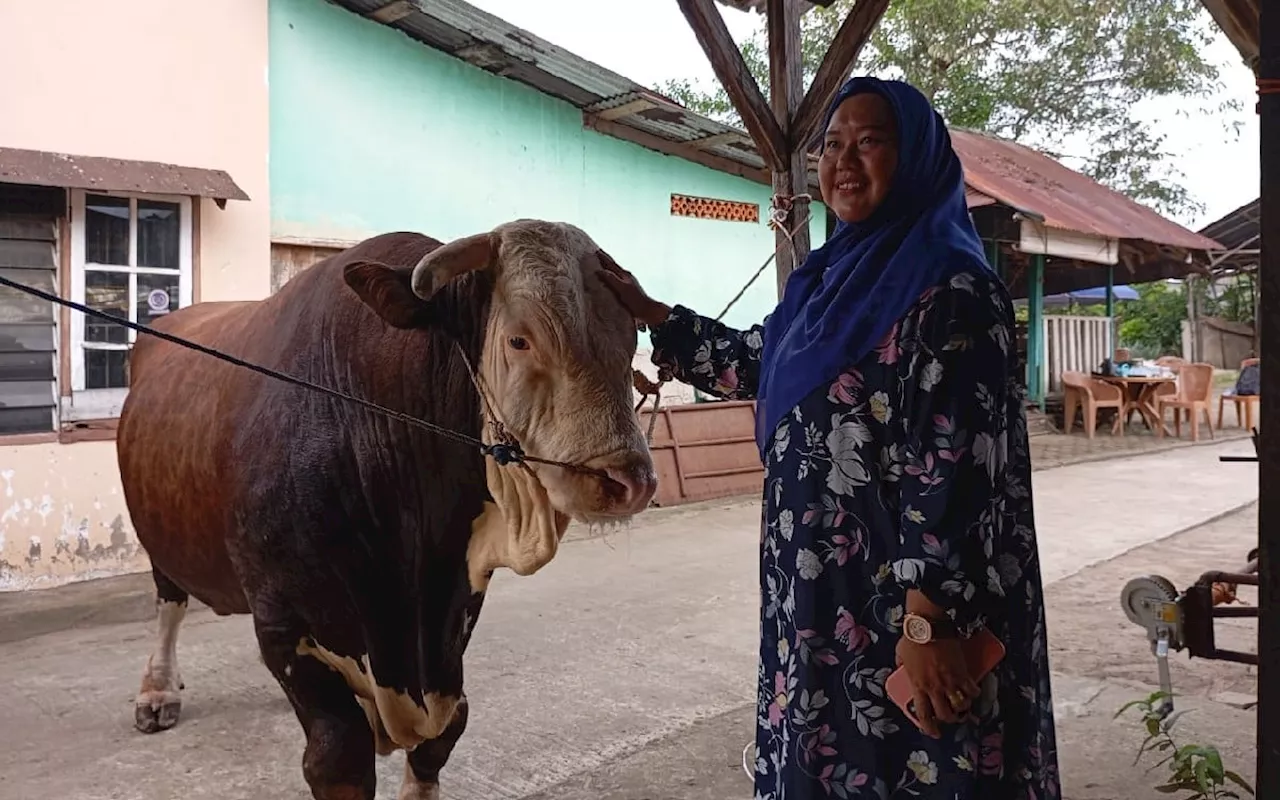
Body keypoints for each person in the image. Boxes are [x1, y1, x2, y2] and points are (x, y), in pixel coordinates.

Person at [600, 77, 1060, 799]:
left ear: (915, 158)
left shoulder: (952, 292)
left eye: (870, 140)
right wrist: (652, 312)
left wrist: (928, 624)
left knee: (924, 764)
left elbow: (956, 468)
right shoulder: (825, 287)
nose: (845, 160)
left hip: (906, 612)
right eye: (831, 145)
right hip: (821, 601)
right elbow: (762, 361)